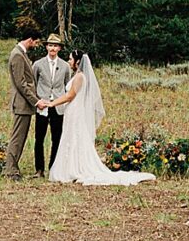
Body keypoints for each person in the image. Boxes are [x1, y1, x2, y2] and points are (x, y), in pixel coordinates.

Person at [47, 50, 154, 185]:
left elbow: (70, 96)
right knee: (71, 137)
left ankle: (76, 168)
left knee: (75, 137)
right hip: (72, 111)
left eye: (70, 59)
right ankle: (71, 166)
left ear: (77, 61)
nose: (68, 62)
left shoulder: (79, 77)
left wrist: (52, 103)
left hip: (75, 111)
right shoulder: (77, 75)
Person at [5, 28, 47, 180]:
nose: (36, 45)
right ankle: (10, 171)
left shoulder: (21, 54)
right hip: (22, 104)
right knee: (17, 137)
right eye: (35, 42)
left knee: (20, 138)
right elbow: (21, 83)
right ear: (30, 40)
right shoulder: (17, 55)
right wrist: (36, 101)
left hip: (25, 105)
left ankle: (13, 168)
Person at [33, 33, 69, 177]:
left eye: (55, 45)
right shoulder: (38, 64)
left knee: (57, 138)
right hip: (42, 105)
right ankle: (39, 169)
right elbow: (33, 84)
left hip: (58, 107)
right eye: (50, 45)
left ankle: (54, 168)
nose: (52, 48)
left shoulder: (65, 66)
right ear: (46, 47)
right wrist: (38, 101)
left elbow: (67, 86)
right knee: (39, 138)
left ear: (59, 48)